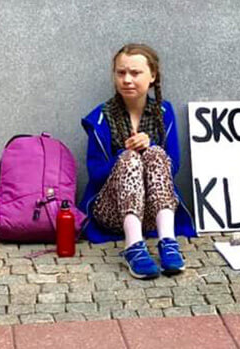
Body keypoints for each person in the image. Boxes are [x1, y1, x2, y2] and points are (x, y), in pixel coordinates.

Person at [78, 43, 196, 279]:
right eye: (121, 73)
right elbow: (95, 173)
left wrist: (150, 145)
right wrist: (124, 154)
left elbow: (174, 167)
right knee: (130, 159)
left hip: (153, 212)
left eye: (135, 73)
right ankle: (133, 246)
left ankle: (168, 242)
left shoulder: (164, 112)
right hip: (112, 213)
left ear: (152, 76)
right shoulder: (101, 117)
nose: (127, 80)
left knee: (155, 153)